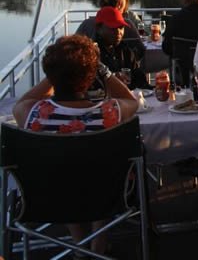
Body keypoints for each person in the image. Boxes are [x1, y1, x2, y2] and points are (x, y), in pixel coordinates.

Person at [12, 34, 138, 256]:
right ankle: (98, 245)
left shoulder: (32, 114)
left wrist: (55, 76)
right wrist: (101, 69)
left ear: (50, 74)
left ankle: (80, 246)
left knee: (64, 173)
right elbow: (131, 100)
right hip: (107, 196)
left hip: (48, 198)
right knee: (100, 173)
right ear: (90, 78)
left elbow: (22, 101)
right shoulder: (110, 112)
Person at [76, 0, 145, 58]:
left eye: (120, 28)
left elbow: (74, 50)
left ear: (100, 3)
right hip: (123, 68)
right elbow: (140, 49)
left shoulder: (86, 24)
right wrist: (129, 63)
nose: (118, 31)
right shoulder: (127, 24)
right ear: (119, 4)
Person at [93, 6, 150, 90]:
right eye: (113, 28)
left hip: (127, 99)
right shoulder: (90, 54)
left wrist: (156, 89)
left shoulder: (126, 50)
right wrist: (113, 78)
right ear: (98, 28)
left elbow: (141, 81)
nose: (118, 32)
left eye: (121, 27)